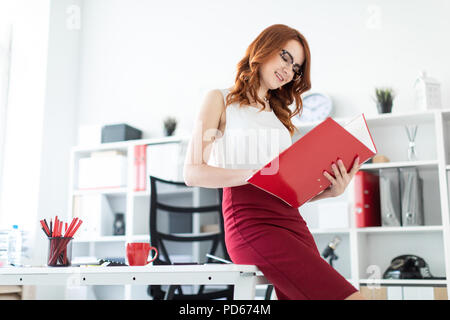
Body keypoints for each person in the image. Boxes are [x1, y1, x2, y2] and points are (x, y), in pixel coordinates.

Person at [183, 24, 365, 300]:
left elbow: (284, 189)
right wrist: (253, 174)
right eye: (285, 57)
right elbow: (193, 173)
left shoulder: (280, 117)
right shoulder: (219, 99)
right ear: (263, 48)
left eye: (296, 68)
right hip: (249, 222)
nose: (289, 70)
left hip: (292, 221)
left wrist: (328, 192)